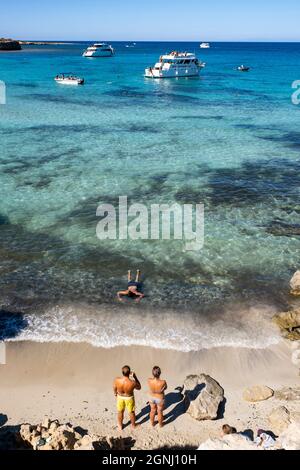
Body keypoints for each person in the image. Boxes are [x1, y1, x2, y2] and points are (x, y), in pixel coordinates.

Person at [113, 366, 141, 431]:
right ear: (129, 373)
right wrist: (135, 377)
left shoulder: (117, 379)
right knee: (131, 412)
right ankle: (133, 426)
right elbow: (139, 387)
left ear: (122, 372)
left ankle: (120, 426)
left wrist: (115, 393)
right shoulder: (133, 382)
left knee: (120, 412)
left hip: (120, 397)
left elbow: (114, 387)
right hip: (129, 398)